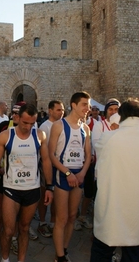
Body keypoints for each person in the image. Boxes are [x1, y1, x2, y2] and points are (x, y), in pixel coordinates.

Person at [90, 98, 139, 262]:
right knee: (133, 256)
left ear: (121, 116)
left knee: (101, 254)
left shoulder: (107, 138)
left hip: (112, 210)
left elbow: (100, 162)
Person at [0, 103, 53, 262]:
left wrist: (49, 187)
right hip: (11, 189)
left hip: (32, 189)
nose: (28, 126)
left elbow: (46, 161)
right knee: (9, 230)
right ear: (17, 118)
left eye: (32, 123)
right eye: (25, 122)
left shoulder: (39, 135)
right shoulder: (6, 135)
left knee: (24, 228)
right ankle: (5, 259)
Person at [49, 91, 92, 262]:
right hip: (63, 175)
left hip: (79, 176)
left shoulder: (86, 128)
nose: (87, 109)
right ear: (73, 105)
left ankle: (64, 249)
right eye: (84, 105)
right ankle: (59, 256)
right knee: (62, 217)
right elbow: (51, 154)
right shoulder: (59, 125)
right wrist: (67, 173)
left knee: (73, 216)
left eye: (88, 105)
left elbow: (88, 155)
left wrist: (81, 173)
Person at [37, 100, 65, 238]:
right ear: (50, 111)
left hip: (60, 166)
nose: (61, 112)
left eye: (63, 110)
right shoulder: (45, 127)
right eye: (58, 110)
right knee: (45, 194)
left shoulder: (63, 125)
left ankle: (53, 222)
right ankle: (42, 222)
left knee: (57, 195)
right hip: (47, 166)